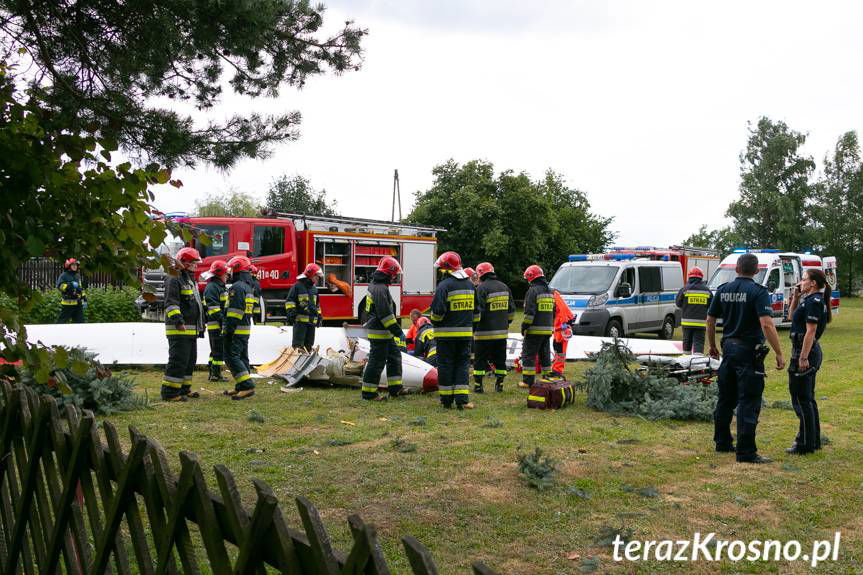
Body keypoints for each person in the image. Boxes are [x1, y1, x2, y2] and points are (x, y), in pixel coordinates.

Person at [706, 253, 785, 464]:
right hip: (748, 352)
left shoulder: (723, 290)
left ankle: (722, 442)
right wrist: (778, 352)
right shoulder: (758, 292)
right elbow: (767, 324)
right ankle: (746, 452)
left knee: (726, 399)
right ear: (757, 271)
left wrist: (712, 345)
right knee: (749, 401)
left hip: (728, 349)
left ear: (737, 269)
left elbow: (710, 320)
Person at [785, 268, 831, 454]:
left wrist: (803, 357)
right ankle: (812, 440)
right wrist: (795, 297)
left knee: (800, 398)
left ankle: (805, 443)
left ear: (813, 283)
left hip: (805, 352)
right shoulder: (809, 300)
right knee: (807, 399)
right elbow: (790, 317)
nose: (800, 282)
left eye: (803, 279)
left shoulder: (814, 302)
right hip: (804, 350)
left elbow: (810, 331)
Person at [431, 251, 478, 409]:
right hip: (465, 336)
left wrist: (435, 323)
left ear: (447, 268)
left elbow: (437, 313)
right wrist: (471, 328)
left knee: (445, 365)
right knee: (462, 365)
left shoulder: (444, 286)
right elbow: (477, 313)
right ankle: (461, 399)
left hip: (445, 336)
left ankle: (446, 400)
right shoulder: (471, 285)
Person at [161, 247, 204, 402]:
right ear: (184, 262)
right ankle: (170, 393)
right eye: (193, 262)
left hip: (191, 329)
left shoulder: (188, 279)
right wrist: (178, 322)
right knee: (178, 360)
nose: (196, 265)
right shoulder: (174, 278)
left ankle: (184, 390)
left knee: (189, 361)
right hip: (179, 329)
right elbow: (171, 304)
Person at [359, 256, 405, 401]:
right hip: (380, 331)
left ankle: (395, 389)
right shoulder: (379, 289)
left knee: (394, 357)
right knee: (376, 361)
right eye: (394, 274)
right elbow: (385, 315)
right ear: (389, 273)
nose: (395, 277)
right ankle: (369, 393)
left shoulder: (378, 286)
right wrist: (398, 331)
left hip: (383, 331)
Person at [473, 262, 514, 392]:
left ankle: (479, 386)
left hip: (483, 333)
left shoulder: (481, 288)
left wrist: (474, 327)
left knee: (480, 361)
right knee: (500, 360)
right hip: (501, 334)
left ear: (480, 274)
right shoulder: (505, 287)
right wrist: (506, 323)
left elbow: (478, 311)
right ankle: (500, 385)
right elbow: (511, 311)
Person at [222, 255, 257, 400]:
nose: (229, 273)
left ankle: (247, 386)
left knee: (231, 357)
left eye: (231, 270)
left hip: (235, 330)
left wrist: (228, 330)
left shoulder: (236, 288)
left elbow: (235, 312)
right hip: (244, 329)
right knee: (242, 357)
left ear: (237, 270)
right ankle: (241, 386)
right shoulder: (248, 287)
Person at [519, 265, 555, 389]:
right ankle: (547, 377)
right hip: (547, 330)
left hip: (534, 330)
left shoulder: (533, 291)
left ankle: (527, 381)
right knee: (545, 355)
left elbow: (529, 313)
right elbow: (553, 311)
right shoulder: (550, 291)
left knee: (528, 355)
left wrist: (524, 327)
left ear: (530, 277)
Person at [285, 263, 324, 351]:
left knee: (308, 346)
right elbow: (290, 301)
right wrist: (291, 313)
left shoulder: (314, 289)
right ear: (310, 275)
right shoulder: (297, 286)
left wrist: (319, 317)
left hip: (311, 323)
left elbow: (317, 305)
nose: (318, 278)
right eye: (316, 276)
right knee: (298, 346)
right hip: (300, 323)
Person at [675, 266, 713, 354]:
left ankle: (686, 363)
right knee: (699, 344)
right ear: (701, 277)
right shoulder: (707, 291)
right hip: (701, 323)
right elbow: (711, 306)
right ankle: (697, 364)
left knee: (686, 344)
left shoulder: (684, 289)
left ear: (689, 277)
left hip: (686, 323)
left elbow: (678, 304)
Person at [203, 260, 229, 382]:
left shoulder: (217, 286)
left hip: (217, 323)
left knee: (216, 350)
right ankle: (215, 375)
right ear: (220, 274)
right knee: (218, 350)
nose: (227, 276)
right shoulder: (213, 287)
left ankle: (213, 372)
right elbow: (214, 309)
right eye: (226, 274)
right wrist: (223, 321)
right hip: (215, 324)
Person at [551, 289, 575, 377]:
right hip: (559, 327)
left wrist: (564, 323)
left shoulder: (555, 298)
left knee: (560, 349)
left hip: (561, 327)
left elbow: (562, 311)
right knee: (557, 347)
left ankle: (558, 370)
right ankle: (556, 368)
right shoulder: (555, 297)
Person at [56, 258, 87, 323]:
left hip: (78, 303)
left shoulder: (77, 276)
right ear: (69, 266)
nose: (75, 266)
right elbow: (60, 286)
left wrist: (84, 298)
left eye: (76, 265)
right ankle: (57, 332)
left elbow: (80, 288)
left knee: (80, 322)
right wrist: (70, 285)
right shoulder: (64, 275)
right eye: (73, 265)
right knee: (61, 322)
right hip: (68, 304)